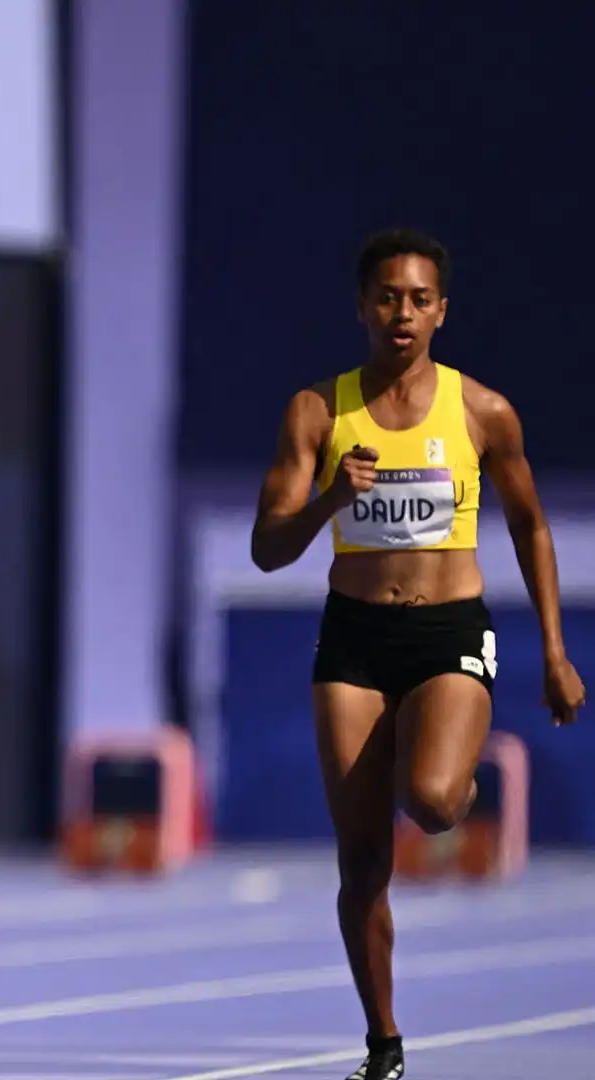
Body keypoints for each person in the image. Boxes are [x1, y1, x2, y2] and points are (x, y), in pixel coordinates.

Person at [249, 227, 584, 1080]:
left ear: (441, 310)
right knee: (362, 864)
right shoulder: (317, 411)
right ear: (363, 307)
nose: (402, 312)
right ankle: (384, 1046)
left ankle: (453, 776)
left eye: (418, 298)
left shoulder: (482, 411)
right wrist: (332, 497)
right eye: (387, 297)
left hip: (448, 631)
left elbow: (530, 525)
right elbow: (266, 549)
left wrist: (553, 648)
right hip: (355, 640)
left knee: (433, 803)